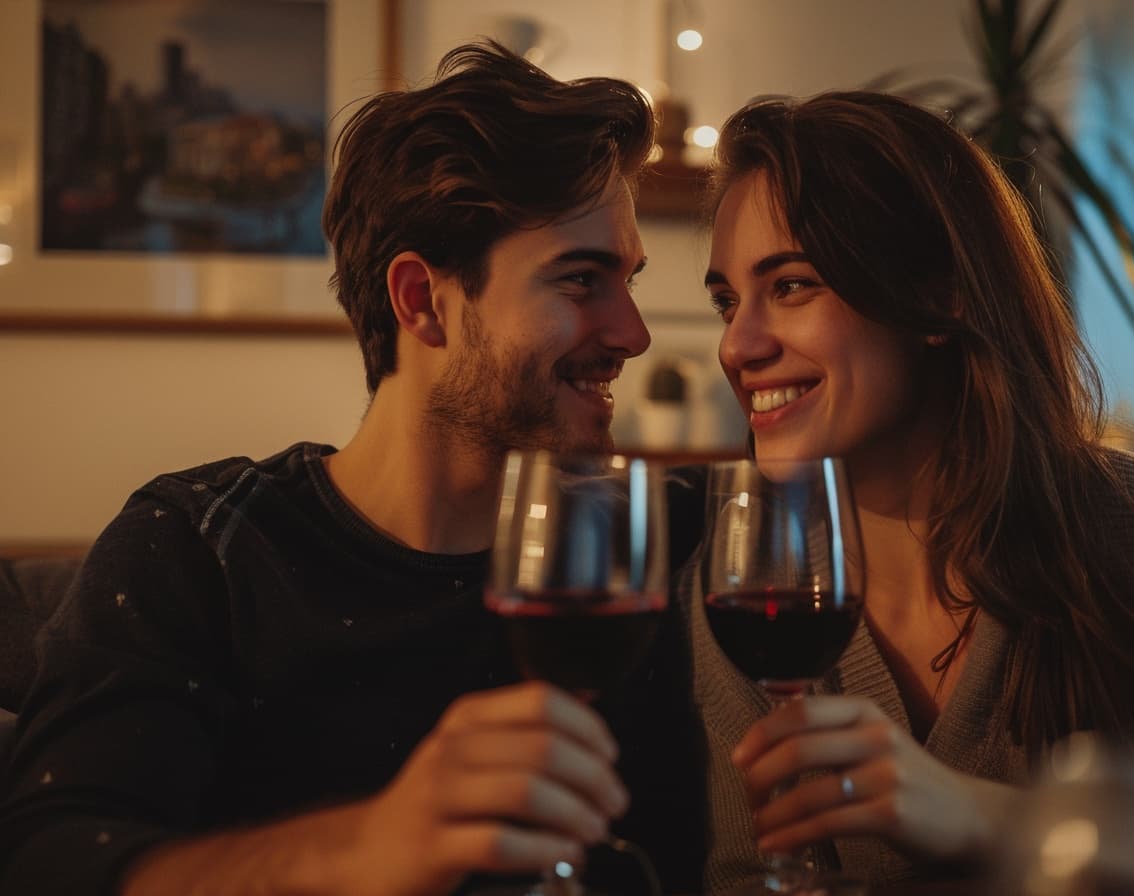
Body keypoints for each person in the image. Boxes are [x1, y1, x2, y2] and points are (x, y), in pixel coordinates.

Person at [0, 43, 705, 895]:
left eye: (628, 279)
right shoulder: (199, 545)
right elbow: (52, 861)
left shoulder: (667, 533)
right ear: (421, 302)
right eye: (582, 279)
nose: (634, 332)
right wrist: (367, 849)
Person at [689, 90, 1134, 892]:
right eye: (727, 300)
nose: (737, 344)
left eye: (791, 285)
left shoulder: (1127, 522)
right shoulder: (745, 573)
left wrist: (982, 819)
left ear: (938, 296)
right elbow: (744, 876)